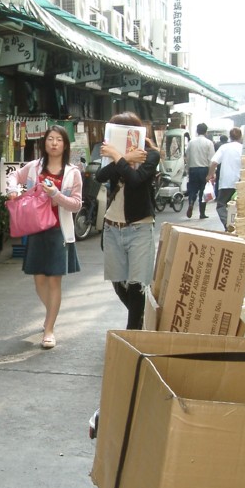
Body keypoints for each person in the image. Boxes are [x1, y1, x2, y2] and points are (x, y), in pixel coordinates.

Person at [6, 125, 83, 349]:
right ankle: (52, 313)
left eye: (59, 139)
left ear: (65, 144)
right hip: (36, 229)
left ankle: (49, 329)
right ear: (44, 143)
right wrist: (12, 189)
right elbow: (14, 176)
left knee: (53, 280)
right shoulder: (34, 167)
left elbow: (77, 204)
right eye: (50, 139)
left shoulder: (72, 172)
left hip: (60, 231)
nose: (54, 143)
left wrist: (56, 195)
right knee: (38, 279)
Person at [96, 111, 160, 330]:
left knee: (136, 284)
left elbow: (135, 180)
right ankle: (139, 320)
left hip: (139, 226)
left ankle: (132, 333)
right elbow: (100, 176)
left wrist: (120, 158)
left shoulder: (150, 155)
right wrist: (121, 158)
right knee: (118, 283)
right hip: (112, 227)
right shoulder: (113, 156)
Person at [207, 127, 244, 231]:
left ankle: (228, 224)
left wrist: (210, 175)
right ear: (241, 136)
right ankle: (239, 226)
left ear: (230, 137)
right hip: (241, 182)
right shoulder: (243, 148)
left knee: (221, 205)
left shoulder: (224, 147)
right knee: (240, 206)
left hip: (226, 182)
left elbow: (214, 162)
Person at [184, 123, 215, 219]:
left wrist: (188, 169)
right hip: (204, 169)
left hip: (193, 169)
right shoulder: (209, 143)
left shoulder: (191, 142)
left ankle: (191, 202)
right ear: (206, 132)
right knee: (203, 191)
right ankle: (202, 213)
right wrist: (211, 173)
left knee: (192, 189)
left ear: (197, 131)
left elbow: (187, 157)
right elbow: (211, 159)